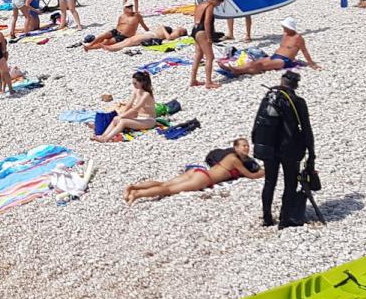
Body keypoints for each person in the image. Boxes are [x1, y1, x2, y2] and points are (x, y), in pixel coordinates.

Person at [251, 71, 316, 228]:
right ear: (296, 85)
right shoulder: (297, 101)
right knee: (290, 183)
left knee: (269, 182)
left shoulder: (268, 98)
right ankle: (285, 219)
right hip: (290, 149)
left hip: (269, 147)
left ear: (281, 81)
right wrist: (311, 153)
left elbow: (257, 124)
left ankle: (267, 218)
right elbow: (306, 128)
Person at [125, 138, 263, 204]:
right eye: (243, 146)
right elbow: (251, 175)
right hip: (203, 179)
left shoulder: (231, 157)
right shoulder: (234, 159)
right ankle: (137, 194)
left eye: (247, 146)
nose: (246, 148)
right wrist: (266, 171)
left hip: (198, 172)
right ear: (235, 147)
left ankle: (133, 187)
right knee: (169, 190)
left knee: (164, 184)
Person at [221, 18, 320, 76]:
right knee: (255, 62)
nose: (283, 28)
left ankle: (237, 71)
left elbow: (304, 51)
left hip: (285, 61)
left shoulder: (298, 38)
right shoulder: (285, 34)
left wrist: (311, 64)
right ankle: (235, 68)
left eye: (285, 27)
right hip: (275, 56)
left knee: (260, 65)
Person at [91, 71, 158, 142]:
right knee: (115, 118)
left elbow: (136, 108)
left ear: (142, 83)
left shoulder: (146, 94)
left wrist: (122, 116)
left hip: (149, 120)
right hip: (139, 117)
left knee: (123, 121)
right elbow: (129, 104)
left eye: (135, 83)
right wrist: (121, 114)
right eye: (133, 83)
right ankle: (102, 136)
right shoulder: (136, 91)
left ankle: (105, 139)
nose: (133, 85)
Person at [190, 0, 223, 89]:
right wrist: (209, 37)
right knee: (210, 57)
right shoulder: (210, 6)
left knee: (198, 56)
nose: (218, 6)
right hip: (202, 31)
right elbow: (207, 22)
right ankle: (208, 82)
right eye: (219, 3)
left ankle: (193, 80)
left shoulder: (200, 4)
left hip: (195, 30)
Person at [85, 6, 149, 51]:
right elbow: (118, 25)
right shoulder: (122, 16)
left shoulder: (137, 16)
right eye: (128, 7)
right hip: (116, 31)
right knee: (102, 36)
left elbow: (143, 25)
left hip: (124, 36)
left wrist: (148, 32)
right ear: (124, 9)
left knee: (106, 42)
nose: (130, 8)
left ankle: (89, 48)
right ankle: (89, 45)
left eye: (131, 7)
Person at [102, 21, 189, 52]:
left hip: (152, 35)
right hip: (149, 33)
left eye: (182, 28)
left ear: (181, 32)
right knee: (130, 39)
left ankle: (113, 48)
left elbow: (169, 38)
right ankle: (112, 46)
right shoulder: (173, 30)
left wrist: (163, 28)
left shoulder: (176, 33)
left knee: (131, 41)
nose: (180, 27)